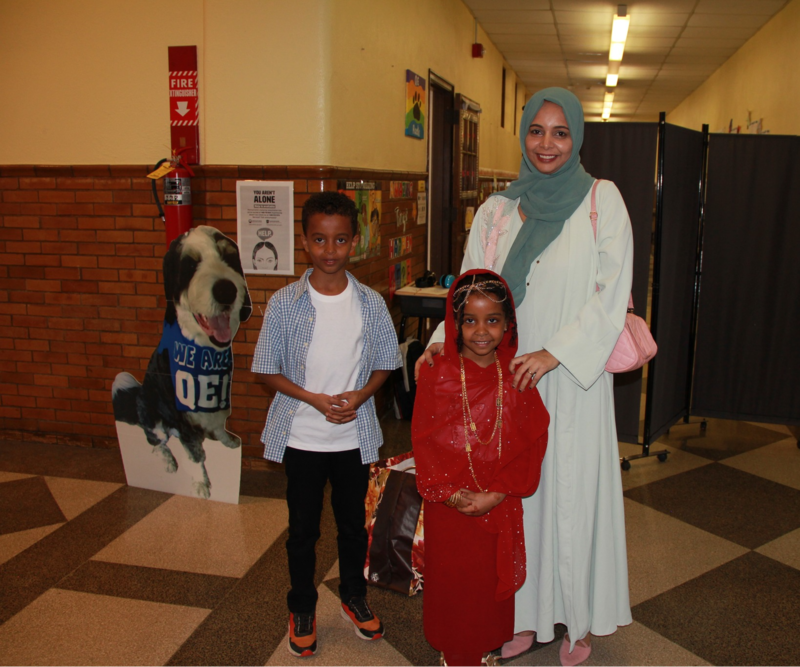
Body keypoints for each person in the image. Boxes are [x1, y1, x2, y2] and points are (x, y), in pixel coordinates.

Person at [417, 88, 634, 666]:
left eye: (560, 132)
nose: (547, 143)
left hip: (573, 380)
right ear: (522, 135)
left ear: (577, 137)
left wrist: (555, 353)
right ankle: (525, 616)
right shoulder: (497, 211)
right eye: (536, 130)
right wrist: (437, 345)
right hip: (504, 384)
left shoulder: (602, 200)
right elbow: (469, 286)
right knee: (520, 503)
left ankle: (577, 622)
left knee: (571, 496)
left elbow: (611, 294)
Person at [252, 190, 401, 658]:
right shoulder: (284, 302)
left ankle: (354, 597)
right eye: (319, 239)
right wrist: (312, 399)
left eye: (339, 240)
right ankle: (301, 607)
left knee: (353, 527)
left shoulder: (370, 303)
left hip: (352, 438)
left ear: (354, 241)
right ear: (305, 241)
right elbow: (266, 369)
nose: (329, 250)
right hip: (303, 438)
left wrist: (360, 395)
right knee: (302, 531)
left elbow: (386, 362)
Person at [413, 270, 549, 667]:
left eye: (492, 320)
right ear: (455, 324)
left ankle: (484, 650)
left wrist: (498, 492)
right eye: (470, 320)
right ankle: (455, 655)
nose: (481, 331)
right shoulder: (437, 372)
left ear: (508, 324)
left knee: (485, 585)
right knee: (453, 583)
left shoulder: (517, 376)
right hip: (448, 507)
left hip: (497, 503)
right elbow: (423, 439)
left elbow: (532, 441)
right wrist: (451, 495)